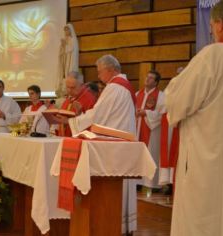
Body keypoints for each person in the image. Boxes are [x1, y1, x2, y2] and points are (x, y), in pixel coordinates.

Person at [164, 1, 223, 235]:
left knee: (204, 221)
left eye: (211, 26)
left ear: (220, 24)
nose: (210, 32)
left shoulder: (214, 56)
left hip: (210, 164)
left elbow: (177, 100)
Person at [54, 55, 137, 234]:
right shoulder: (124, 86)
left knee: (110, 185)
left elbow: (97, 114)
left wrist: (72, 122)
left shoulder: (114, 88)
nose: (99, 76)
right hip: (121, 140)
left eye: (100, 72)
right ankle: (121, 224)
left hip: (112, 144)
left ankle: (109, 222)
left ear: (111, 69)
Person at [135, 70, 164, 190]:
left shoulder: (161, 96)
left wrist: (146, 113)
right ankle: (137, 183)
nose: (147, 79)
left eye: (151, 78)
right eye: (147, 77)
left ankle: (151, 183)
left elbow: (161, 114)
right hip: (137, 129)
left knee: (150, 154)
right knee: (137, 155)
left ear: (156, 82)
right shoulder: (137, 94)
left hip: (151, 131)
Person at [57, 71, 96, 137]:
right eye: (67, 87)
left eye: (72, 87)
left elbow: (90, 123)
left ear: (82, 85)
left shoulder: (89, 100)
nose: (69, 90)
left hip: (79, 140)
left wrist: (73, 118)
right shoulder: (69, 98)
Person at [56, 24, 79, 98]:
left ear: (70, 30)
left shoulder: (73, 40)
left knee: (69, 72)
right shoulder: (65, 40)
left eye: (67, 29)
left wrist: (65, 45)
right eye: (65, 30)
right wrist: (62, 45)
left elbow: (71, 50)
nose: (66, 31)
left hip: (70, 60)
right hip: (66, 61)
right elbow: (61, 53)